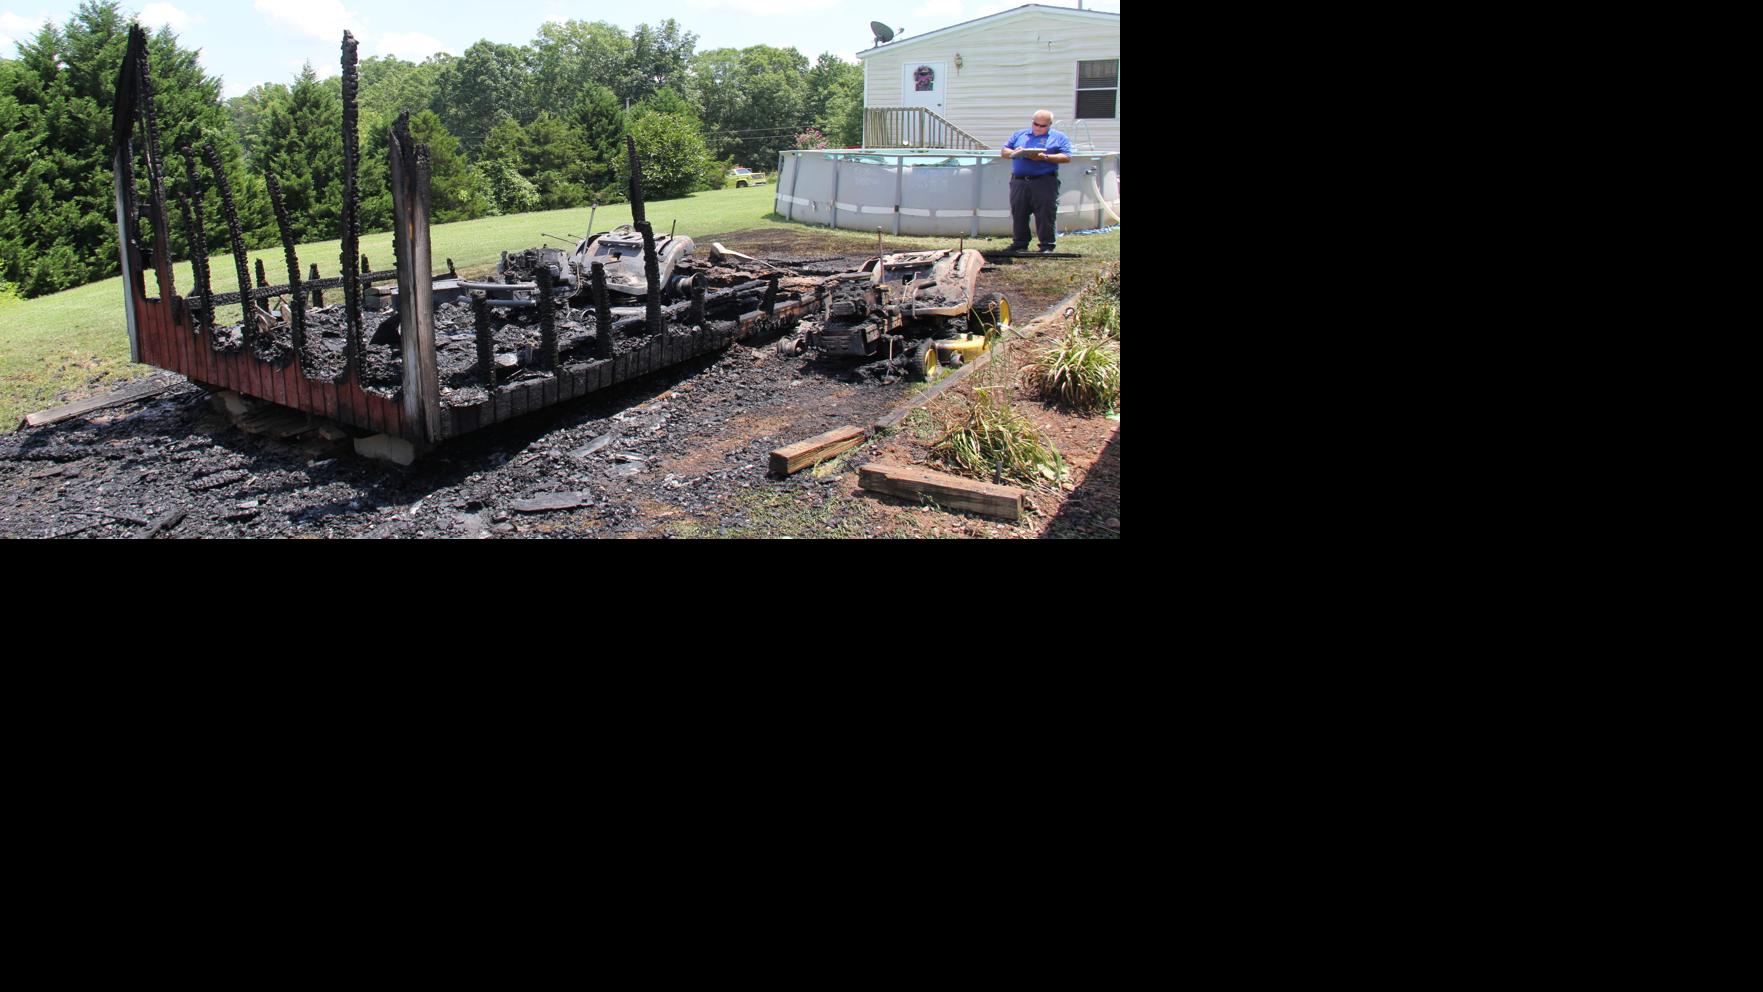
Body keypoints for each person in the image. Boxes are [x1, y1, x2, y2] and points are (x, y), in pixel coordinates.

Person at [1000, 110, 1073, 252]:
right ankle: (1020, 243)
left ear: (1050, 125)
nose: (1038, 128)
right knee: (1019, 212)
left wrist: (1045, 157)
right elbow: (1004, 151)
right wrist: (1015, 153)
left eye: (1042, 126)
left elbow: (1066, 157)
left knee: (1045, 213)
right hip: (1019, 181)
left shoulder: (1058, 137)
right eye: (1035, 124)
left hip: (1044, 181)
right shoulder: (1020, 135)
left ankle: (1047, 245)